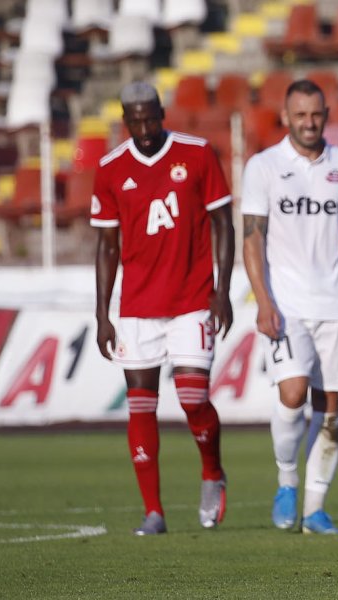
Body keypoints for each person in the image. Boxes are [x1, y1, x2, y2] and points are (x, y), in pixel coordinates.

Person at [241, 79, 338, 535]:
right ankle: (287, 481)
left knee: (329, 411)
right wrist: (263, 300)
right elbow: (252, 236)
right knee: (291, 394)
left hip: (337, 304)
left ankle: (315, 509)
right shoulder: (263, 167)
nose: (309, 122)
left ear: (326, 115)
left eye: (316, 114)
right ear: (285, 118)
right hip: (285, 304)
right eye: (300, 114)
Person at [91, 82, 235, 535]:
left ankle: (212, 471)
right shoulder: (111, 169)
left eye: (152, 117)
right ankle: (153, 511)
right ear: (125, 120)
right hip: (136, 308)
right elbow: (106, 246)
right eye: (136, 120)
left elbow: (223, 223)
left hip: (193, 299)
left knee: (193, 398)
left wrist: (223, 288)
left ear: (162, 112)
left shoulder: (196, 154)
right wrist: (102, 314)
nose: (146, 128)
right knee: (140, 406)